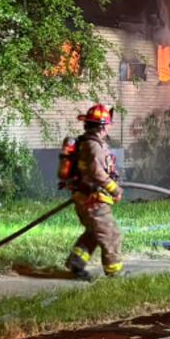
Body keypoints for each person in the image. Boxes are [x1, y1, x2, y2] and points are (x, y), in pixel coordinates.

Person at [65, 103, 124, 280]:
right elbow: (97, 173)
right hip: (93, 201)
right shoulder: (94, 146)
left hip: (85, 198)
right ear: (102, 126)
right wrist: (115, 190)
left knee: (93, 233)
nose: (109, 128)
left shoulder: (87, 143)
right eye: (108, 124)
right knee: (111, 234)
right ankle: (115, 273)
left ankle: (76, 263)